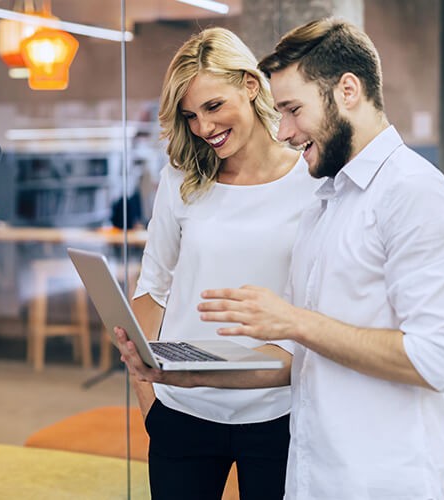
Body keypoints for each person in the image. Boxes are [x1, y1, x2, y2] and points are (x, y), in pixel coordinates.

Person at [115, 18, 444, 500]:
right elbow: (296, 353)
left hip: (347, 454)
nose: (284, 130)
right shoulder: (334, 194)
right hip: (299, 446)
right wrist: (159, 390)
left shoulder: (391, 192)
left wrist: (293, 323)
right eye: (190, 116)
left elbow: (433, 357)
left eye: (292, 109)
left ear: (347, 90)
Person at [129, 27, 320, 500]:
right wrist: (149, 401)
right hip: (182, 413)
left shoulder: (312, 180)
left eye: (214, 107)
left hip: (278, 413)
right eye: (190, 115)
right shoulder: (182, 179)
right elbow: (152, 287)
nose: (203, 128)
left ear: (251, 86)